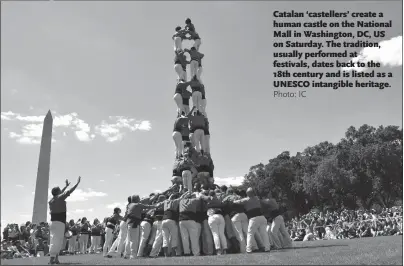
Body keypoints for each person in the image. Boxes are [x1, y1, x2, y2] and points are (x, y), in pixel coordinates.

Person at [48, 177, 81, 265]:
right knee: (57, 241)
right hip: (59, 222)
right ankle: (52, 259)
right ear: (58, 192)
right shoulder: (59, 198)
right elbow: (69, 192)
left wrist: (65, 186)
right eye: (60, 190)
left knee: (55, 240)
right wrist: (77, 184)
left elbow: (59, 194)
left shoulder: (51, 200)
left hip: (53, 222)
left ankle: (55, 259)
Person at [233, 188, 271, 253]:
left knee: (250, 233)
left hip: (253, 218)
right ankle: (267, 248)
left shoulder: (247, 199)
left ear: (248, 193)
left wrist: (233, 200)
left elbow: (237, 202)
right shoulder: (257, 198)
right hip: (262, 217)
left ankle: (248, 249)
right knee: (264, 233)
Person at [123, 195, 155, 259]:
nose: (139, 199)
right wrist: (156, 205)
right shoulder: (137, 204)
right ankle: (133, 255)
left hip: (130, 223)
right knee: (134, 240)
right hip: (134, 223)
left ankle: (127, 254)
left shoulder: (130, 205)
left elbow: (140, 211)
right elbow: (148, 206)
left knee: (129, 239)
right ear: (136, 199)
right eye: (138, 198)